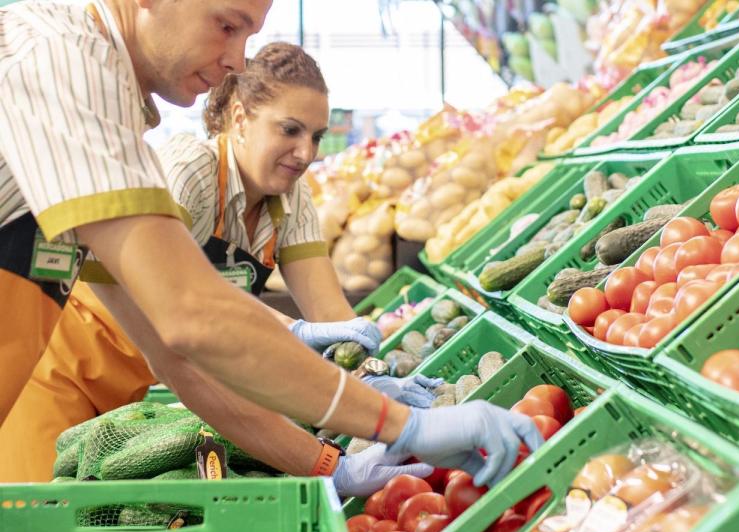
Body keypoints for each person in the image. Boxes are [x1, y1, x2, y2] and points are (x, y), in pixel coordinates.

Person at [0, 0, 539, 492]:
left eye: (248, 32)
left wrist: (334, 462)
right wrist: (404, 425)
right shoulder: (62, 61)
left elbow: (177, 361)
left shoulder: (106, 107)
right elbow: (190, 315)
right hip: (51, 383)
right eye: (227, 24)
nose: (236, 59)